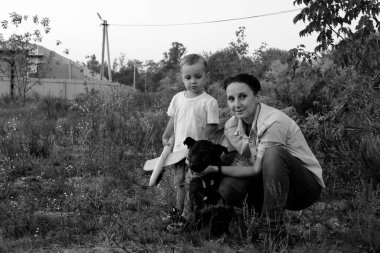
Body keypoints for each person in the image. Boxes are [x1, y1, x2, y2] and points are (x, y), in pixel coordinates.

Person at [196, 73, 325, 241]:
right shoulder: (232, 125)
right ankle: (219, 221)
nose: (236, 105)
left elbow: (257, 169)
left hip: (303, 187)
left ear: (257, 96)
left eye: (243, 97)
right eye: (231, 99)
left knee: (274, 153)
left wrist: (216, 169)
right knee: (229, 183)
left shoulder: (273, 122)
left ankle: (271, 230)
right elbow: (242, 160)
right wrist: (203, 166)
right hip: (270, 181)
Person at [161, 54, 219, 231]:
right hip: (178, 150)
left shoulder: (209, 102)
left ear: (206, 77)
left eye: (198, 77)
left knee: (191, 184)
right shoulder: (178, 98)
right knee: (179, 183)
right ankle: (177, 211)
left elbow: (212, 128)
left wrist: (203, 151)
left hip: (196, 155)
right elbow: (173, 119)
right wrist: (166, 136)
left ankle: (187, 218)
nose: (193, 81)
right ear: (182, 78)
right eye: (188, 77)